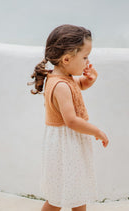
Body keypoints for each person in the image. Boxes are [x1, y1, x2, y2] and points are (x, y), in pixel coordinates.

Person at [27, 24, 109, 211]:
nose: (87, 61)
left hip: (68, 144)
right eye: (85, 57)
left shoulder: (63, 78)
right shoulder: (61, 85)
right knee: (58, 199)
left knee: (76, 193)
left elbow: (77, 85)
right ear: (66, 59)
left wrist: (89, 80)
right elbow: (71, 121)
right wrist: (97, 131)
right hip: (66, 146)